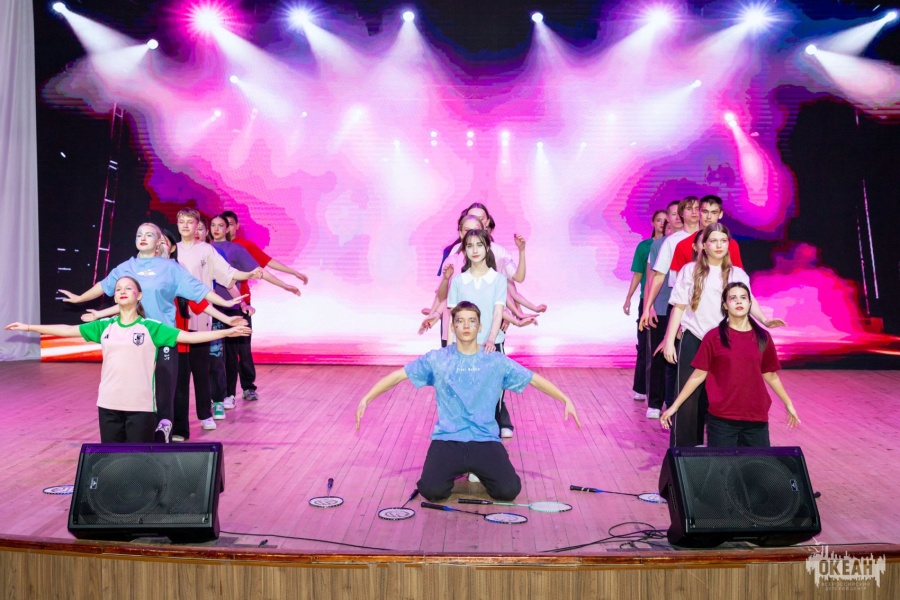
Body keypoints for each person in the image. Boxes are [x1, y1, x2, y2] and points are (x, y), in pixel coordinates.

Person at [355, 301, 581, 502]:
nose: (466, 326)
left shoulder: (495, 361)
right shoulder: (438, 359)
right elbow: (399, 376)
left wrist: (565, 399)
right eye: (460, 321)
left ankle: (479, 469)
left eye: (472, 321)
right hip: (448, 439)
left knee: (508, 491)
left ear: (479, 327)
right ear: (453, 326)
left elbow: (533, 379)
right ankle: (460, 469)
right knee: (432, 491)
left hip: (485, 440)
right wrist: (367, 398)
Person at [6, 276, 251, 443]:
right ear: (114, 298)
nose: (122, 291)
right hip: (108, 405)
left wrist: (226, 332)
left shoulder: (151, 327)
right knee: (112, 464)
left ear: (139, 295)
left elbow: (188, 336)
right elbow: (68, 329)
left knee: (138, 463)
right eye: (118, 289)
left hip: (141, 408)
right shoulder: (104, 326)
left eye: (128, 288)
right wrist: (28, 327)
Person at [58, 222, 244, 440]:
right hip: (133, 341)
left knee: (164, 393)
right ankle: (135, 435)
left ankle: (163, 435)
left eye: (149, 235)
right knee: (136, 390)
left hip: (161, 338)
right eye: (139, 234)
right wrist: (80, 298)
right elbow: (104, 285)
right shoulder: (125, 268)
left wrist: (225, 304)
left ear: (158, 242)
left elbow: (199, 291)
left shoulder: (171, 268)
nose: (143, 238)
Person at [660, 223, 784, 447]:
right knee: (688, 400)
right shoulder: (690, 270)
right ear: (704, 245)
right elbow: (678, 307)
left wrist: (765, 320)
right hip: (694, 337)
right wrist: (669, 341)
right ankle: (686, 454)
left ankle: (720, 449)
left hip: (724, 342)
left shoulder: (737, 273)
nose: (719, 245)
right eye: (714, 241)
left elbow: (749, 300)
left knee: (721, 396)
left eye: (723, 241)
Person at [660, 282, 800, 446]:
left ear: (750, 303)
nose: (739, 301)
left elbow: (771, 375)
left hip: (756, 418)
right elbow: (698, 376)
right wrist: (675, 406)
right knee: (723, 463)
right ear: (725, 305)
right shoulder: (713, 337)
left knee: (757, 462)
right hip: (722, 420)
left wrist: (788, 403)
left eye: (743, 298)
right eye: (733, 298)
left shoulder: (763, 337)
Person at [173, 208, 262, 431]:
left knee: (203, 369)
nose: (186, 226)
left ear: (197, 226)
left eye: (190, 222)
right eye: (182, 221)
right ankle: (177, 423)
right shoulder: (172, 250)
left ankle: (206, 413)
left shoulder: (207, 250)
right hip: (175, 319)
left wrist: (247, 276)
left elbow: (227, 274)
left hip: (202, 316)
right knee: (179, 374)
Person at [220, 210, 308, 402]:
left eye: (230, 224)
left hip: (241, 304)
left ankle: (248, 387)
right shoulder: (210, 249)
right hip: (217, 306)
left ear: (235, 226)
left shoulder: (243, 246)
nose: (224, 228)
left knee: (243, 348)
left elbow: (266, 264)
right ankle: (226, 393)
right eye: (219, 225)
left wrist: (291, 275)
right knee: (224, 352)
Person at [639, 196, 701, 331]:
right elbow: (658, 276)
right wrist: (648, 307)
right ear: (681, 213)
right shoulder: (671, 241)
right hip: (679, 299)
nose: (694, 212)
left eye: (697, 208)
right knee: (675, 342)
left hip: (705, 298)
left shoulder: (710, 236)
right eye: (689, 208)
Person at [624, 209, 667, 402]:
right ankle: (641, 387)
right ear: (653, 222)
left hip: (666, 300)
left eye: (665, 220)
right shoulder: (645, 247)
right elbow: (638, 274)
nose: (662, 224)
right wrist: (628, 298)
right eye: (659, 220)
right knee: (644, 344)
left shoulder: (672, 244)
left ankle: (663, 390)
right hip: (647, 300)